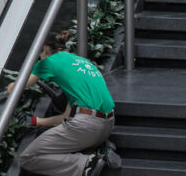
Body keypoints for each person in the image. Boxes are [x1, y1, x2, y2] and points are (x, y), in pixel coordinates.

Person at [7, 30, 116, 176]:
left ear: (45, 49)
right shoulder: (81, 62)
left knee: (28, 157)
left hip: (86, 125)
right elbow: (65, 117)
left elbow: (15, 88)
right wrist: (35, 121)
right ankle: (97, 149)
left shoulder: (48, 62)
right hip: (106, 125)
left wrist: (9, 87)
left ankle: (87, 163)